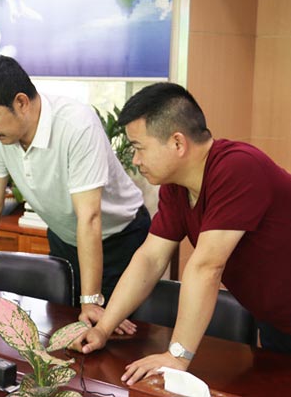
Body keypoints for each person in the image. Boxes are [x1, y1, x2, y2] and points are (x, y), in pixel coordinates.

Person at [74, 83, 291, 385]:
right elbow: (150, 259)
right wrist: (103, 328)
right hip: (277, 321)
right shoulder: (176, 188)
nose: (135, 160)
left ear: (177, 143)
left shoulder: (238, 167)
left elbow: (206, 267)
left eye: (139, 148)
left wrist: (177, 356)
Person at [0, 56, 150, 331]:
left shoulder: (76, 125)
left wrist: (90, 301)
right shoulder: (1, 135)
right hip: (65, 239)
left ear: (21, 103)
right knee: (61, 329)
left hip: (120, 240)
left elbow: (90, 217)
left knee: (109, 335)